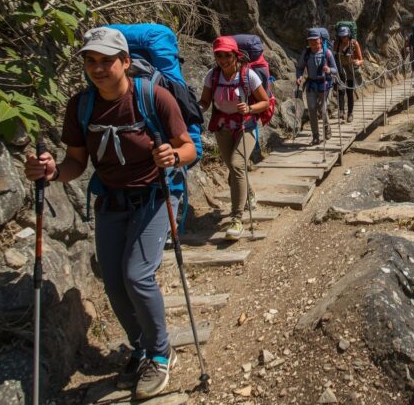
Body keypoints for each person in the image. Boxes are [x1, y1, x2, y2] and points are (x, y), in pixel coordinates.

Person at [24, 27, 197, 399]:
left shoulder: (154, 97)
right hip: (110, 201)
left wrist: (172, 156)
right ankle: (140, 348)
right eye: (91, 60)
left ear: (125, 62)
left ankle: (161, 353)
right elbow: (75, 161)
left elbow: (188, 149)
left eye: (106, 61)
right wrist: (53, 172)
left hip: (154, 196)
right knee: (115, 283)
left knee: (136, 275)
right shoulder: (81, 106)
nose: (97, 68)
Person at [198, 36, 270, 240]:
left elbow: (265, 102)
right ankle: (249, 194)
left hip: (245, 126)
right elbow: (205, 101)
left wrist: (249, 108)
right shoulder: (212, 76)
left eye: (227, 55)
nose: (223, 59)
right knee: (232, 168)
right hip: (222, 128)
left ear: (235, 55)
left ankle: (236, 219)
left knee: (237, 165)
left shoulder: (249, 76)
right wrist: (197, 109)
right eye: (218, 55)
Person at [295, 29, 337, 144]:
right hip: (311, 85)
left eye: (315, 41)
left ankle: (327, 127)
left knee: (323, 109)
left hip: (324, 84)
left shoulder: (327, 53)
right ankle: (315, 136)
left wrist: (328, 70)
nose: (313, 43)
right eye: (310, 41)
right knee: (312, 110)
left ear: (320, 40)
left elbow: (335, 70)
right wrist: (299, 77)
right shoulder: (306, 53)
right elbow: (300, 67)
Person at [335, 26, 363, 123]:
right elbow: (334, 56)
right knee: (340, 91)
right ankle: (341, 111)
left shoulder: (354, 44)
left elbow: (361, 60)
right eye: (341, 36)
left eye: (345, 36)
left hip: (350, 71)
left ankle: (350, 113)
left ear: (349, 35)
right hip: (340, 69)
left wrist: (357, 62)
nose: (343, 38)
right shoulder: (337, 44)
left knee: (349, 92)